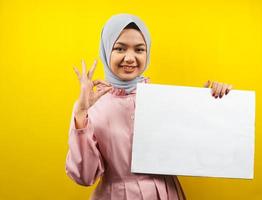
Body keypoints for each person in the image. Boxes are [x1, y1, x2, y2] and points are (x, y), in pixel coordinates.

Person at [65, 13, 233, 200]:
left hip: (165, 193)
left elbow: (195, 143)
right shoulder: (90, 106)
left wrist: (214, 99)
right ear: (106, 51)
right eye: (120, 49)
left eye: (139, 50)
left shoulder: (162, 98)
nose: (130, 58)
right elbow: (84, 177)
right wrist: (81, 114)